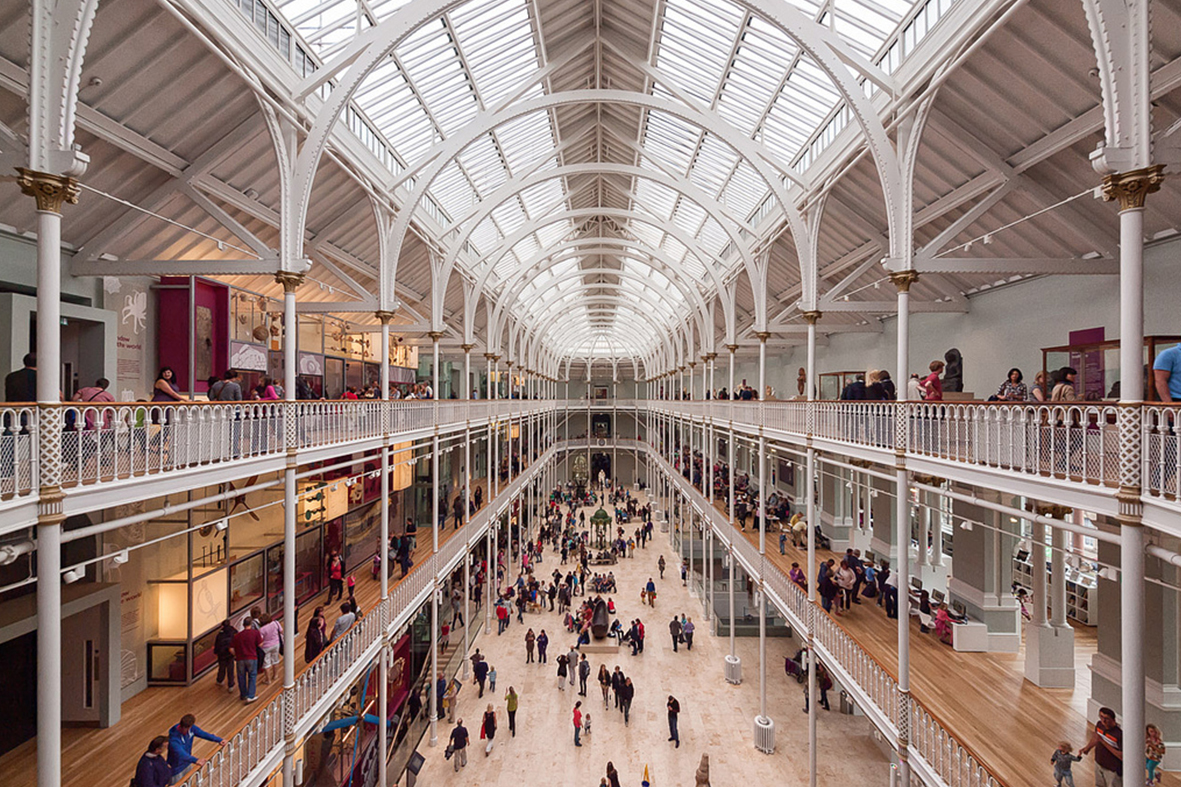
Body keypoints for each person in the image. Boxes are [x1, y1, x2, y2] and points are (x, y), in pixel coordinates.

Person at [167, 714, 225, 783]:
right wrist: (196, 760)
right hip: (176, 769)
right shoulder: (173, 740)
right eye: (184, 728)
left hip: (187, 763)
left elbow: (203, 734)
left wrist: (219, 740)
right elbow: (181, 754)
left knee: (188, 783)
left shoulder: (192, 729)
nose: (185, 731)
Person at [1079, 706, 1122, 786]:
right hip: (1098, 763)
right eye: (1101, 717)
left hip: (1112, 769)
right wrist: (1087, 748)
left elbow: (1121, 756)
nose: (1103, 720)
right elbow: (1096, 737)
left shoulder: (1119, 734)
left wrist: (1103, 741)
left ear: (1113, 719)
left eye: (1106, 718)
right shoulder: (1099, 725)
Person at [231, 618, 263, 702]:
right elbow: (260, 644)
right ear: (251, 624)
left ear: (243, 625)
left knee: (241, 676)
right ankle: (251, 696)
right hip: (252, 657)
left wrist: (236, 654)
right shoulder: (255, 633)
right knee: (252, 676)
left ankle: (243, 694)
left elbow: (231, 648)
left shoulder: (237, 636)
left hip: (240, 659)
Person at [212, 620, 237, 694]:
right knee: (230, 669)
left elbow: (217, 644)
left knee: (221, 668)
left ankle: (220, 680)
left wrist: (216, 652)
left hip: (221, 654)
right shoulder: (233, 631)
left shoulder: (220, 634)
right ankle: (231, 685)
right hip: (230, 653)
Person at [257, 614, 282, 685]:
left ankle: (268, 680)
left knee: (266, 663)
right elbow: (281, 631)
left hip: (266, 647)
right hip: (276, 644)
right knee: (275, 659)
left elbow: (260, 640)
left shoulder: (261, 630)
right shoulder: (275, 623)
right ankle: (275, 675)